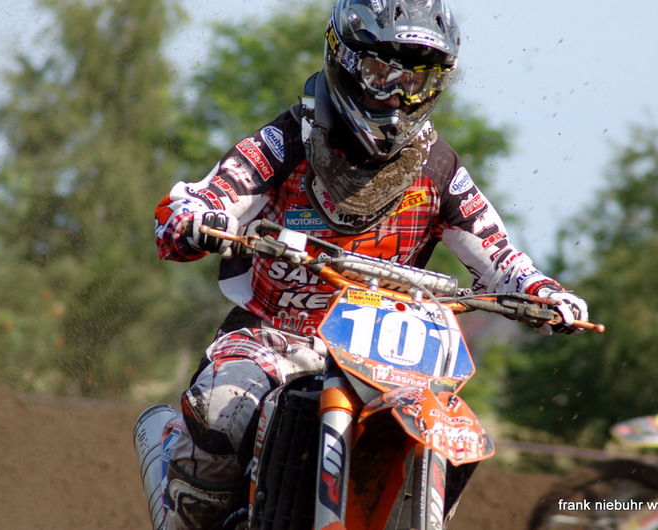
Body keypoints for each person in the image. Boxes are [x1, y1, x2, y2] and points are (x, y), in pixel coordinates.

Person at [149, 0, 589, 527]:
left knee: (453, 434)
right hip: (274, 335)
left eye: (417, 79)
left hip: (390, 356)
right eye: (383, 72)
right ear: (345, 60)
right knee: (225, 409)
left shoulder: (438, 168)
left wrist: (540, 291)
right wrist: (195, 220)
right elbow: (199, 199)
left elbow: (498, 254)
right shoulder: (284, 143)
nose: (398, 95)